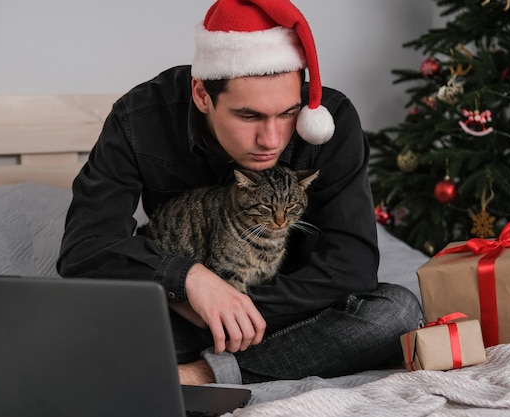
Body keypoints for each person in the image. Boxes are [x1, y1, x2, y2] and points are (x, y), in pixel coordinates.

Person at [57, 0, 423, 385]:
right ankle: (250, 360)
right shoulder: (139, 118)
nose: (271, 140)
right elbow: (86, 247)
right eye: (249, 116)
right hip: (178, 305)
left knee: (395, 312)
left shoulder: (332, 120)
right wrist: (188, 282)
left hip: (292, 310)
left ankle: (200, 376)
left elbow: (351, 269)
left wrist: (232, 311)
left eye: (287, 114)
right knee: (65, 324)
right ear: (202, 94)